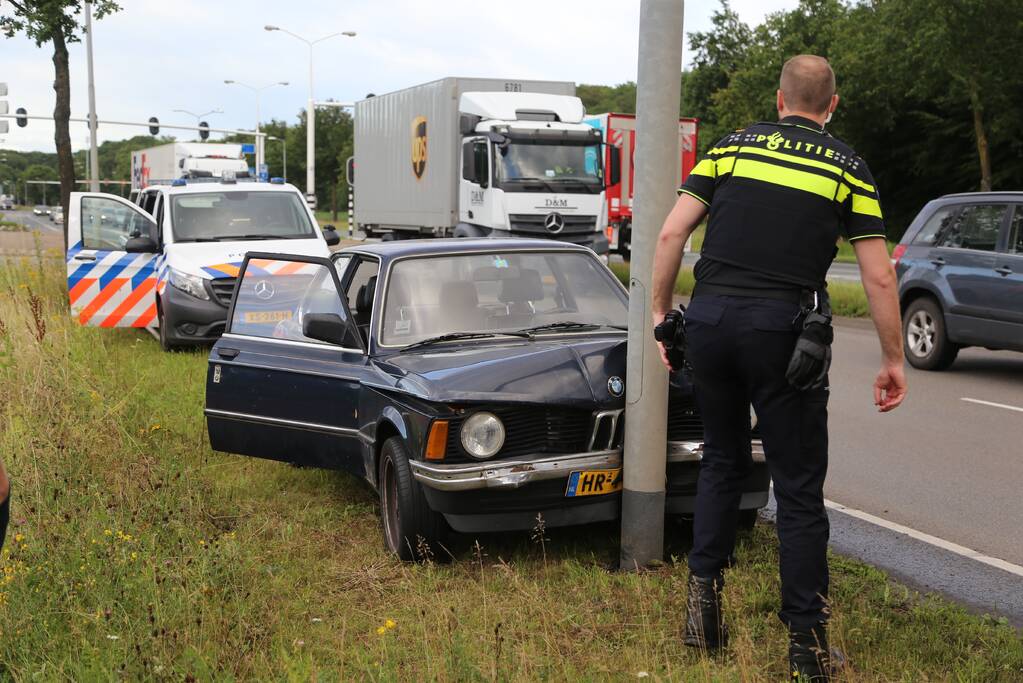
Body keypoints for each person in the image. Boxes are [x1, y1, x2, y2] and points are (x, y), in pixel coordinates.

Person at [651, 55, 907, 680]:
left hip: (709, 323)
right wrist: (894, 358)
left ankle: (702, 617)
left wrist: (664, 315)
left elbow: (670, 236)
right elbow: (877, 272)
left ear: (779, 98)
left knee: (720, 459)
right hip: (783, 334)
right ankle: (808, 649)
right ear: (832, 104)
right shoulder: (846, 166)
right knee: (796, 489)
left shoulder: (730, 148)